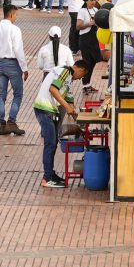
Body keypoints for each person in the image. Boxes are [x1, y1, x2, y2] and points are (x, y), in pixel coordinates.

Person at [33, 41, 78, 190]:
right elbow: (53, 90)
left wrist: (77, 117)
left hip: (50, 110)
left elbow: (70, 99)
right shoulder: (65, 70)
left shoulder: (68, 77)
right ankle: (47, 178)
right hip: (44, 109)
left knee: (53, 143)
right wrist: (67, 108)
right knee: (50, 143)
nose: (80, 78)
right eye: (82, 74)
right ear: (79, 69)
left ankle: (51, 174)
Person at [0, 4, 27, 135]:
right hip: (13, 64)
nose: (16, 17)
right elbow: (18, 50)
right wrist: (24, 68)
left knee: (1, 94)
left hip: (1, 64)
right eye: (16, 15)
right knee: (18, 94)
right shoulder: (15, 29)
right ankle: (12, 122)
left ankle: (1, 124)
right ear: (10, 14)